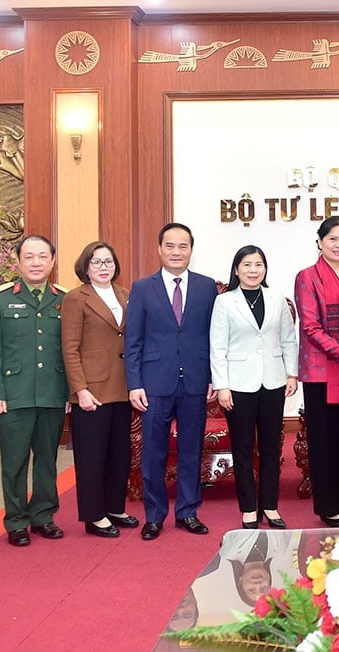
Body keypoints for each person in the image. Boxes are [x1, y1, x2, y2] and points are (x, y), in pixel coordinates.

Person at [125, 222, 218, 540]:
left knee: (192, 449)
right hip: (154, 383)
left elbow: (214, 338)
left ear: (191, 250)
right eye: (170, 246)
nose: (176, 252)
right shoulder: (142, 288)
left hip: (195, 380)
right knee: (153, 451)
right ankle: (154, 515)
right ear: (159, 249)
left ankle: (188, 512)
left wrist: (213, 378)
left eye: (183, 246)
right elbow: (133, 340)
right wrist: (134, 383)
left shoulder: (207, 288)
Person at [0, 234, 69, 547]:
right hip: (12, 395)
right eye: (29, 256)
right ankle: (16, 520)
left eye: (42, 256)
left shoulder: (63, 298)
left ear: (52, 261)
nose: (36, 262)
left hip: (52, 393)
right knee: (14, 462)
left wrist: (70, 393)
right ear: (17, 261)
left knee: (47, 460)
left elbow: (68, 351)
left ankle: (43, 516)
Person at [210, 245, 299, 530]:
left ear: (265, 268)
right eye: (246, 265)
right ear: (237, 270)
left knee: (272, 447)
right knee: (243, 448)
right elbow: (217, 346)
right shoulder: (225, 302)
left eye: (258, 264)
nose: (253, 270)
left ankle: (270, 506)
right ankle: (249, 508)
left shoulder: (276, 299)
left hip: (273, 381)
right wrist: (222, 385)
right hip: (238, 384)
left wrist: (291, 373)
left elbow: (288, 339)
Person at [60, 241, 138, 538]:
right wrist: (79, 389)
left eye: (108, 262)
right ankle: (94, 516)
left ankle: (115, 508)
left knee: (119, 454)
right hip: (91, 390)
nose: (104, 267)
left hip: (122, 386)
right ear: (85, 267)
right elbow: (69, 349)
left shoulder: (126, 295)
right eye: (97, 262)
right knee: (91, 456)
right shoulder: (75, 298)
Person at [294, 216, 339, 527]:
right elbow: (311, 328)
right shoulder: (307, 277)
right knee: (324, 442)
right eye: (333, 239)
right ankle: (328, 506)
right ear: (320, 242)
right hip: (321, 373)